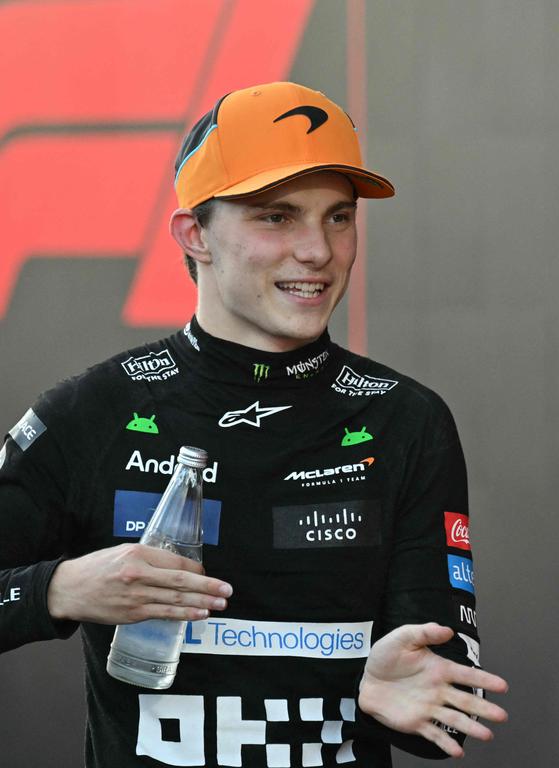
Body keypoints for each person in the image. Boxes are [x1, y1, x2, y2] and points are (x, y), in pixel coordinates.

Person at [0, 81, 507, 767]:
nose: (318, 252)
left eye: (338, 217)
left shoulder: (403, 419)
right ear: (194, 235)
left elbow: (440, 696)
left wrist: (409, 700)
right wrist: (58, 590)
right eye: (277, 217)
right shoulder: (95, 412)